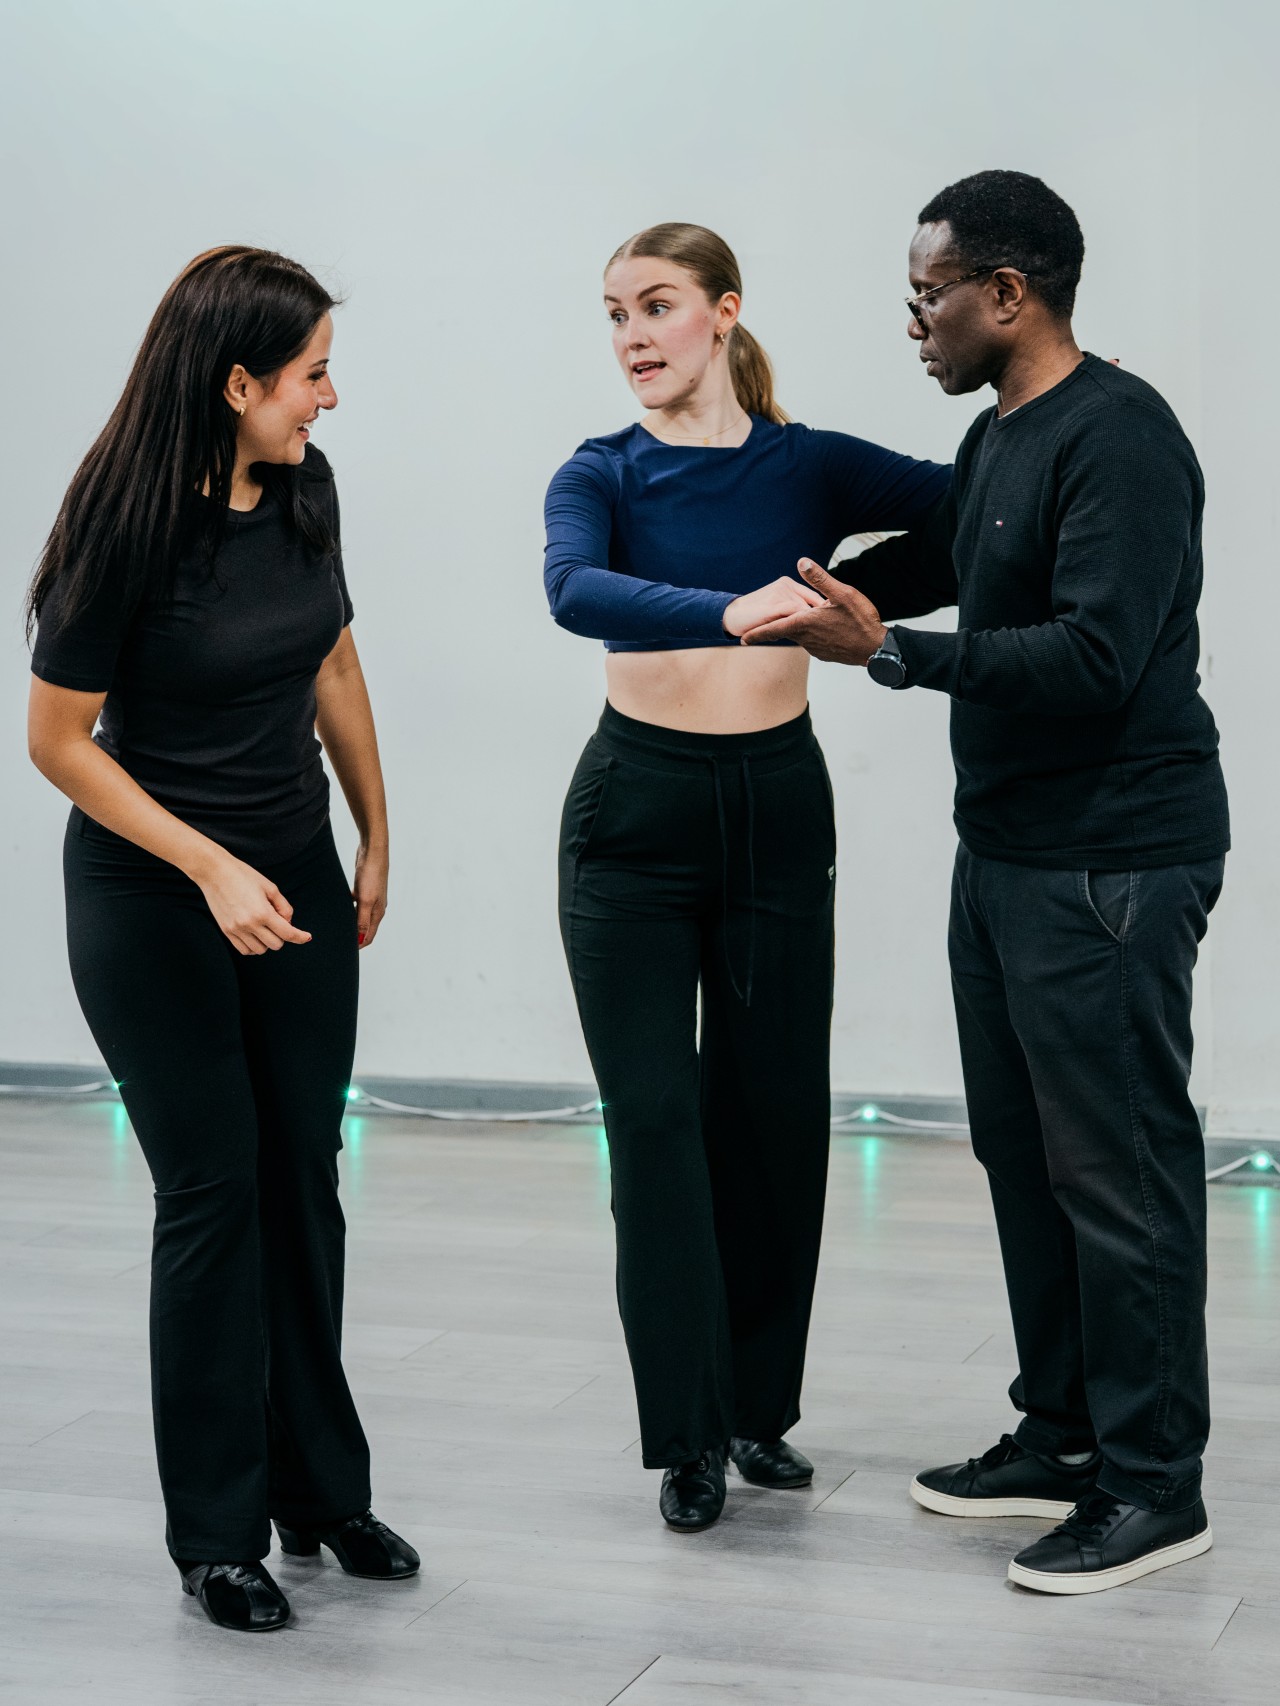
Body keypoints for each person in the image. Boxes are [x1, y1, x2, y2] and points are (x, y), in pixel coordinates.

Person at [743, 171, 1229, 1594]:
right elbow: (957, 552)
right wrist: (803, 588)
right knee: (1028, 1152)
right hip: (1011, 847)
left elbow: (1094, 659)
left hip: (1113, 858)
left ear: (1006, 293)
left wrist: (885, 651)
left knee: (1120, 1171)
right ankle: (1066, 1430)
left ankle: (1155, 1486)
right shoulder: (998, 434)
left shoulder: (1122, 438)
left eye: (926, 294)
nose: (914, 321)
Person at [26, 247, 418, 1632]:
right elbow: (58, 743)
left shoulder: (304, 490)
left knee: (303, 1177)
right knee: (215, 1190)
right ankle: (216, 1534)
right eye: (311, 371)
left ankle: (323, 1489)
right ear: (238, 381)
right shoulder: (120, 524)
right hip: (150, 896)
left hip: (293, 880)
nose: (329, 394)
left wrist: (375, 830)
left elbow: (333, 658)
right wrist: (206, 867)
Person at [544, 222, 951, 1532]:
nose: (632, 336)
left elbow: (966, 509)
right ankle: (688, 1432)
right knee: (658, 1128)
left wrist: (835, 598)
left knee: (774, 1115)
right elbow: (574, 590)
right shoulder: (597, 470)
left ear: (724, 311)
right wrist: (730, 608)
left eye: (656, 305)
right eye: (613, 314)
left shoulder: (809, 465)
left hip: (778, 807)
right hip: (635, 817)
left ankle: (759, 1410)